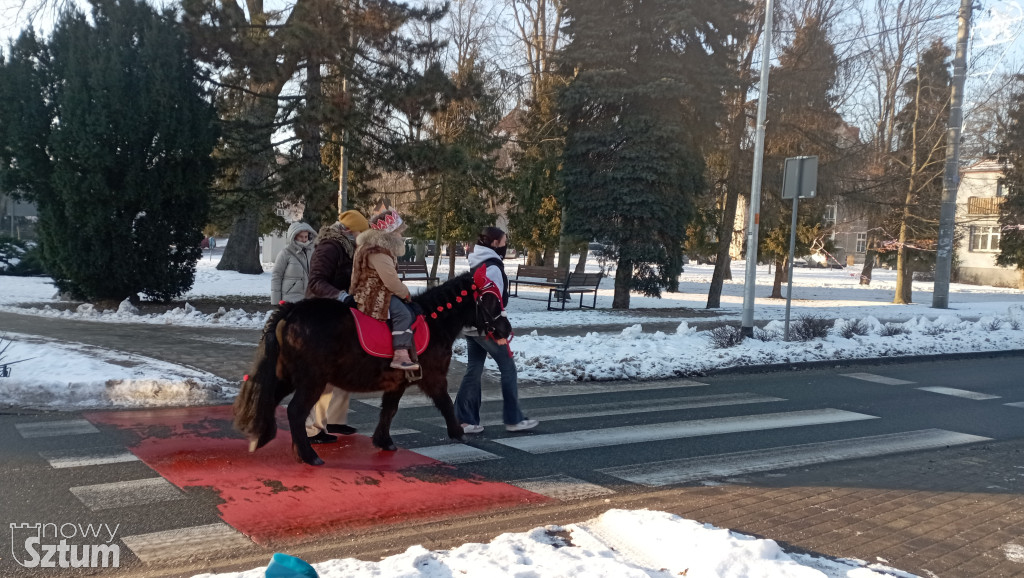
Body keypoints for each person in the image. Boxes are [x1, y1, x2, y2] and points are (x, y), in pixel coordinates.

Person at [454, 227, 538, 434]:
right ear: (494, 244)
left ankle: (463, 420)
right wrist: (498, 330)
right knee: (508, 368)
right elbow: (492, 302)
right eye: (503, 242)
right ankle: (513, 418)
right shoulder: (492, 267)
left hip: (471, 326)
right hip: (486, 328)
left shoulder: (477, 262)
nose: (506, 245)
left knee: (474, 369)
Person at [302, 209, 369, 444]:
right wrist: (340, 296)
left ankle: (335, 419)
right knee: (325, 373)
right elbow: (316, 281)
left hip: (338, 315)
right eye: (361, 232)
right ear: (349, 231)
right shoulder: (330, 246)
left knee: (344, 368)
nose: (363, 237)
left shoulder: (348, 247)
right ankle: (313, 428)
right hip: (321, 315)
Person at [349, 210, 421, 371]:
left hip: (370, 291)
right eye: (398, 232)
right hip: (374, 294)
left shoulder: (373, 247)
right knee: (404, 313)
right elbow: (391, 281)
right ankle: (400, 354)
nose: (400, 236)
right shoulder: (378, 252)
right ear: (389, 232)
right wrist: (406, 293)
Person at [270, 222, 317, 304]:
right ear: (294, 236)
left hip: (310, 298)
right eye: (301, 236)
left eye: (306, 236)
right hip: (291, 299)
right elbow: (276, 276)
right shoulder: (285, 253)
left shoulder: (314, 252)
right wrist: (276, 301)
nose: (304, 239)